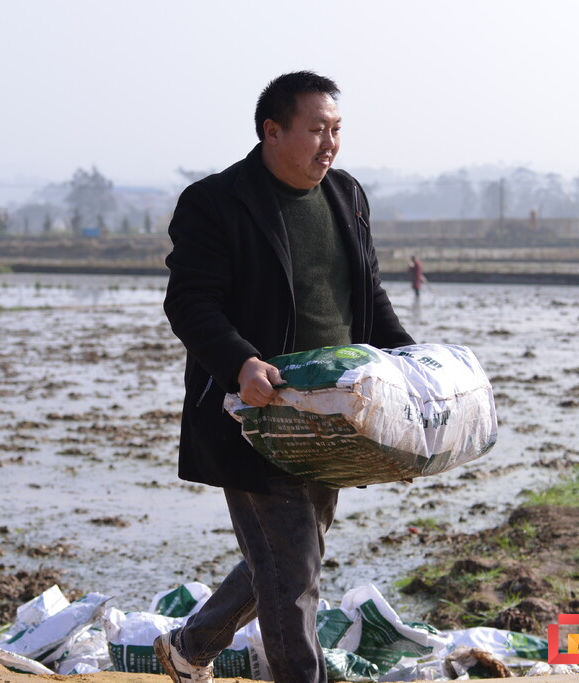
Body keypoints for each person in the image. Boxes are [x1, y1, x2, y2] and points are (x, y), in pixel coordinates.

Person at [158, 71, 415, 683]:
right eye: (317, 129)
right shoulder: (216, 202)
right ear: (272, 131)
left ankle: (189, 649)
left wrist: (412, 363)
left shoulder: (346, 195)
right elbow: (191, 302)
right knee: (294, 571)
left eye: (337, 130)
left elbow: (368, 297)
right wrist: (240, 361)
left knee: (286, 558)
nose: (330, 144)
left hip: (334, 416)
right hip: (257, 412)